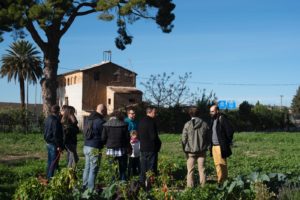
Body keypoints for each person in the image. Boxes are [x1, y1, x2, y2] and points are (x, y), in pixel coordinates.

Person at [182, 107, 211, 187]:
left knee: (190, 170)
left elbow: (184, 139)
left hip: (190, 152)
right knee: (202, 170)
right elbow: (209, 138)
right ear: (199, 114)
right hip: (202, 151)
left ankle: (190, 188)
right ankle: (203, 188)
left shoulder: (187, 124)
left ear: (190, 114)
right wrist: (207, 146)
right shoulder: (205, 124)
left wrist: (184, 149)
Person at [82, 104, 107, 190]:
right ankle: (90, 190)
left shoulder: (89, 119)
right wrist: (104, 144)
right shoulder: (101, 122)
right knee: (93, 169)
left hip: (86, 146)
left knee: (87, 167)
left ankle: (84, 186)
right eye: (106, 111)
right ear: (103, 111)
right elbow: (104, 136)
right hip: (95, 147)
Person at [101, 110, 130, 181]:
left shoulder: (106, 125)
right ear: (120, 117)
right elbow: (127, 138)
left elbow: (103, 138)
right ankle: (123, 182)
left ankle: (112, 183)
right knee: (122, 168)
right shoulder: (124, 124)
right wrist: (128, 146)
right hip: (121, 148)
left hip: (110, 149)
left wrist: (106, 144)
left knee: (112, 168)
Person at [209, 105, 234, 184]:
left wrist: (226, 141)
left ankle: (224, 181)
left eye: (212, 111)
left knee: (222, 164)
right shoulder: (213, 120)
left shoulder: (222, 119)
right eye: (210, 111)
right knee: (217, 165)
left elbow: (230, 130)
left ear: (217, 111)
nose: (211, 113)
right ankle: (220, 181)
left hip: (220, 146)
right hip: (213, 146)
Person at [138, 106, 161, 188]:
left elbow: (138, 135)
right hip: (151, 148)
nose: (155, 114)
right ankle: (149, 186)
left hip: (143, 147)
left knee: (143, 168)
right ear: (150, 112)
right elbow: (153, 136)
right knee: (151, 168)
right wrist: (159, 144)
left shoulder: (140, 121)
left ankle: (141, 185)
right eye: (154, 112)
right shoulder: (152, 122)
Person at [44, 105, 64, 179]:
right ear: (58, 111)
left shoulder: (47, 118)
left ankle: (48, 176)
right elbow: (56, 134)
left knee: (50, 161)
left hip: (48, 142)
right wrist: (59, 146)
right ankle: (50, 178)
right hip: (54, 144)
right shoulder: (55, 121)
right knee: (53, 162)